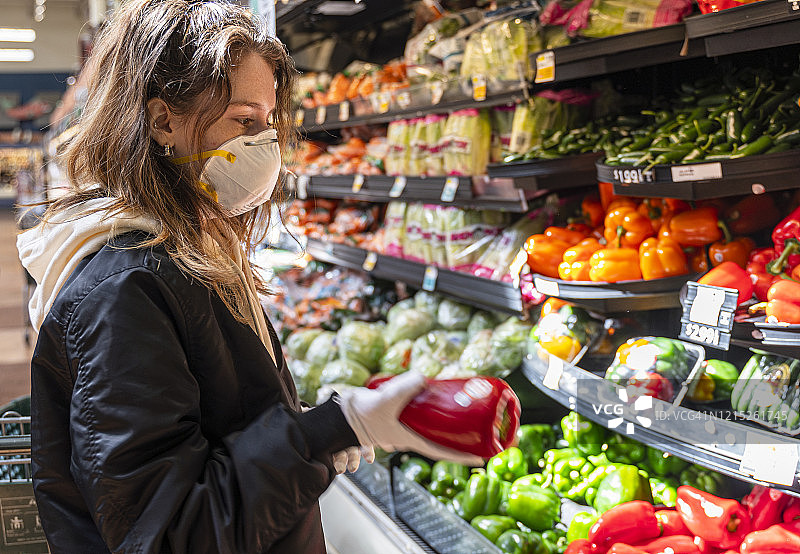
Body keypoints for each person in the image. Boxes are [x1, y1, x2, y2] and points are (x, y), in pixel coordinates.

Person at [17, 1, 480, 552]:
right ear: (162, 120)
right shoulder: (125, 292)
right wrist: (328, 430)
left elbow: (209, 433)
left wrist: (309, 436)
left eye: (268, 124)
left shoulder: (185, 251)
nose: (265, 145)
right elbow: (170, 532)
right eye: (244, 121)